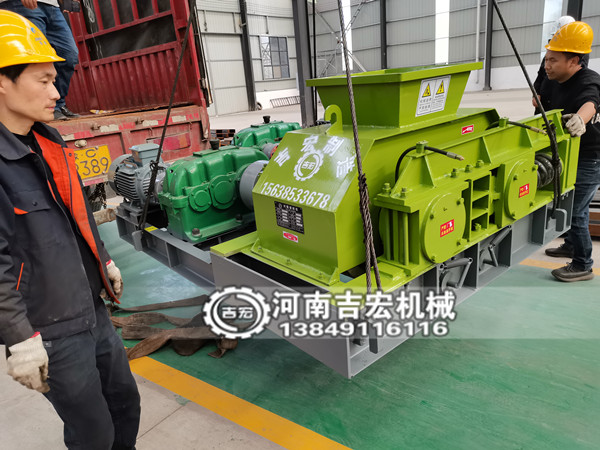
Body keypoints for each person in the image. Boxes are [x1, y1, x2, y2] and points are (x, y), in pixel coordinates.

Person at [0, 10, 140, 449]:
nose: (56, 92)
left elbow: (78, 212)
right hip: (48, 329)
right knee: (93, 432)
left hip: (91, 308)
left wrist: (105, 259)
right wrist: (20, 340)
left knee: (125, 405)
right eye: (43, 80)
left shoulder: (48, 141)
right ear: (2, 82)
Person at [542, 21, 600, 282]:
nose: (547, 65)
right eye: (547, 59)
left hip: (590, 156)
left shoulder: (589, 81)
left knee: (576, 210)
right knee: (566, 201)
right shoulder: (551, 80)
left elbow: (591, 103)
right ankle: (570, 245)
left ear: (574, 61)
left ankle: (583, 264)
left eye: (553, 60)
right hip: (565, 152)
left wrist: (580, 119)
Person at [0, 0, 80, 120]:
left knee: (69, 54)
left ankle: (57, 104)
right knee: (34, 59)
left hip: (52, 5)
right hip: (21, 4)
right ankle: (40, 107)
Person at [531, 16, 590, 114]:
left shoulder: (580, 56)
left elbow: (590, 98)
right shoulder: (551, 53)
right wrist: (536, 93)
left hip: (560, 103)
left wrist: (581, 116)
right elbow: (540, 75)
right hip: (544, 102)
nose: (547, 66)